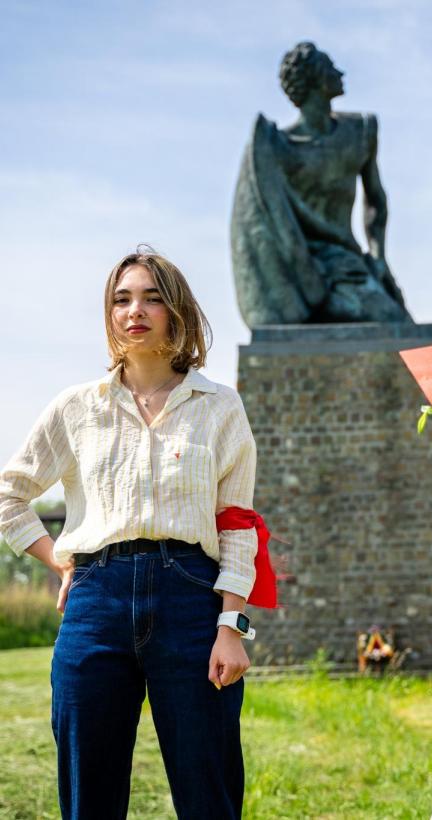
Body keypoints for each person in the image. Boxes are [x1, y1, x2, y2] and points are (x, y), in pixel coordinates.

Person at [0, 248, 259, 819]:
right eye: (121, 299)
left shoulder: (219, 407)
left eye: (151, 297)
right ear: (109, 314)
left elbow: (238, 525)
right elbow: (8, 496)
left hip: (192, 600)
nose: (134, 310)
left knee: (208, 793)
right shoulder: (76, 408)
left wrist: (230, 625)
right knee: (87, 795)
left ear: (177, 310)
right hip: (96, 599)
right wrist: (61, 561)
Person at [230, 41, 412, 325]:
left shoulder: (360, 131)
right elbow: (261, 223)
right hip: (297, 268)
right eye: (330, 68)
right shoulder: (276, 147)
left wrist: (378, 257)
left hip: (346, 262)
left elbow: (376, 200)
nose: (340, 72)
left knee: (397, 322)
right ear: (314, 80)